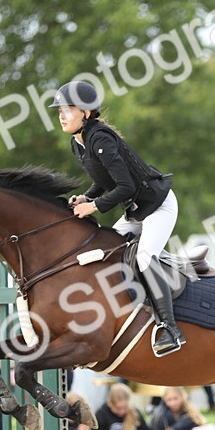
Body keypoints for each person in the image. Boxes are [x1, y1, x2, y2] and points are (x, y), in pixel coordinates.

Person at [51, 79, 185, 356]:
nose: (61, 115)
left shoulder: (100, 138)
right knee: (107, 249)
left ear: (86, 113)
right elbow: (104, 180)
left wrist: (95, 207)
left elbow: (127, 187)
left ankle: (170, 329)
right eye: (59, 110)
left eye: (68, 109)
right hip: (135, 211)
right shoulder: (78, 143)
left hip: (158, 206)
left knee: (145, 257)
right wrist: (87, 197)